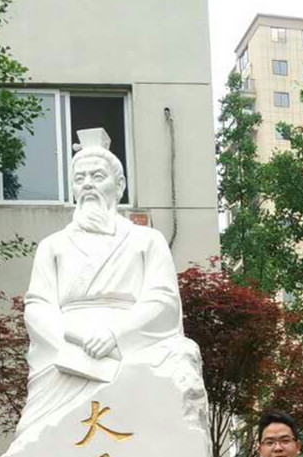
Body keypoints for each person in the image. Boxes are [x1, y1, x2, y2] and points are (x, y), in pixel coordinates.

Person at [16, 127, 202, 435]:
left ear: (119, 185)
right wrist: (69, 342)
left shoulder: (147, 240)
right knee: (43, 433)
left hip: (131, 346)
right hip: (67, 352)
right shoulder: (52, 246)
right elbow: (37, 306)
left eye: (97, 176)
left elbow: (163, 299)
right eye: (80, 178)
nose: (88, 184)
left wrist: (116, 334)